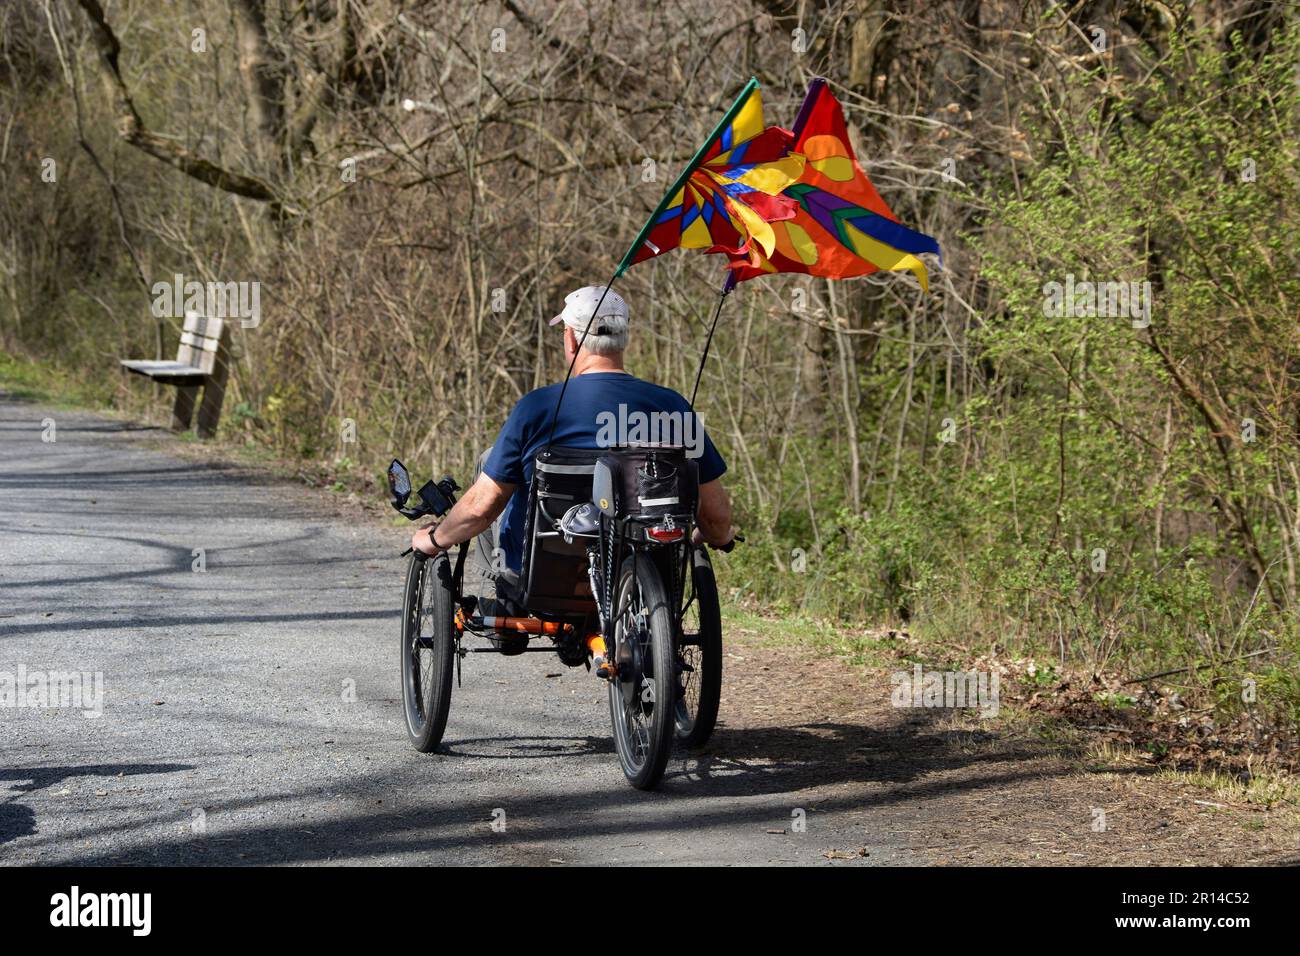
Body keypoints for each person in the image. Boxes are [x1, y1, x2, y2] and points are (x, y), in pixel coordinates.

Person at [411, 286, 735, 568]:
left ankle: (502, 584)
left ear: (570, 338)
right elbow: (717, 520)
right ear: (624, 339)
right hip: (643, 578)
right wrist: (711, 537)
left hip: (546, 577)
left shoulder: (537, 408)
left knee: (496, 463)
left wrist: (436, 538)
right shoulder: (673, 406)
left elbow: (481, 508)